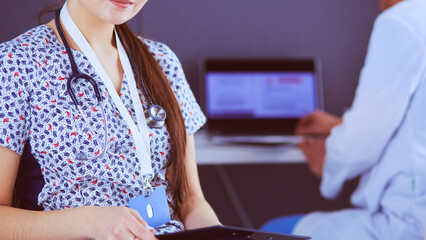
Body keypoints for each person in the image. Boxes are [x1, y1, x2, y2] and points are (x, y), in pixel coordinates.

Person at [0, 0, 220, 239]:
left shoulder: (162, 61)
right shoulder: (16, 63)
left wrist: (221, 236)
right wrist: (89, 222)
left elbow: (191, 202)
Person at [261, 0, 426, 239]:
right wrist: (340, 126)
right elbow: (411, 124)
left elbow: (361, 143)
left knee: (272, 231)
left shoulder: (400, 22)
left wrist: (330, 160)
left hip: (407, 221)